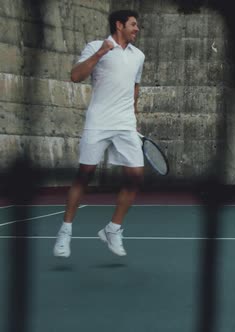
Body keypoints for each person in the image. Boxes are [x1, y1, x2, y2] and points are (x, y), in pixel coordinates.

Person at [53, 9, 145, 258]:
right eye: (133, 25)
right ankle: (65, 232)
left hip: (125, 124)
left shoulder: (139, 56)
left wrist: (134, 118)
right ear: (119, 25)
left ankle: (113, 229)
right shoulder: (95, 46)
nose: (137, 29)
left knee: (136, 176)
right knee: (84, 175)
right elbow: (75, 76)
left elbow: (134, 88)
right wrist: (101, 52)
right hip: (99, 121)